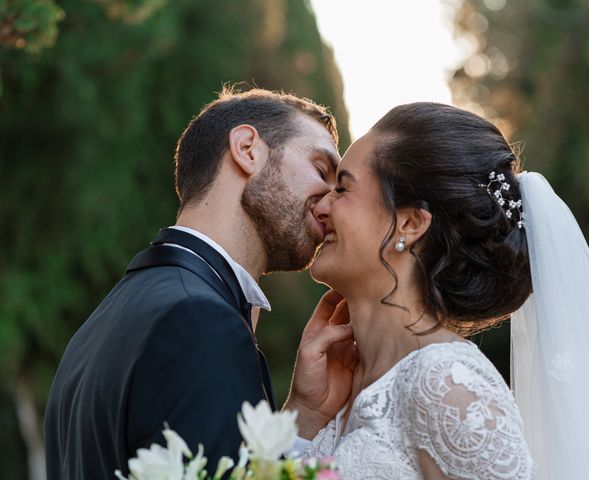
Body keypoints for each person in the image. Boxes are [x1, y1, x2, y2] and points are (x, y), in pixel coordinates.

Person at [305, 102, 589, 479]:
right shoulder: (338, 385)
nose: (322, 205)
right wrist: (305, 412)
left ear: (410, 223)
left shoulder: (448, 386)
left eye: (342, 188)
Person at [44, 88, 358, 480]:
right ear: (247, 149)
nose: (331, 203)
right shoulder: (199, 319)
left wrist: (304, 414)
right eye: (321, 170)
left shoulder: (105, 321)